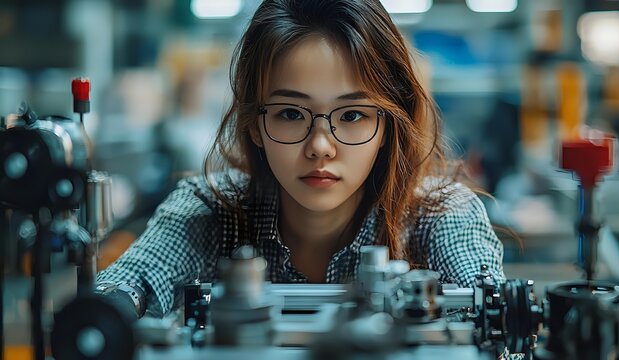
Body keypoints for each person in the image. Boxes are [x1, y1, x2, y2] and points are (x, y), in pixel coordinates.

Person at [96, 0, 505, 318]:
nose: (321, 147)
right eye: (291, 114)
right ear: (255, 122)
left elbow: (501, 322)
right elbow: (122, 289)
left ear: (387, 127)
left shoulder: (440, 217)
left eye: (352, 115)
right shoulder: (210, 211)